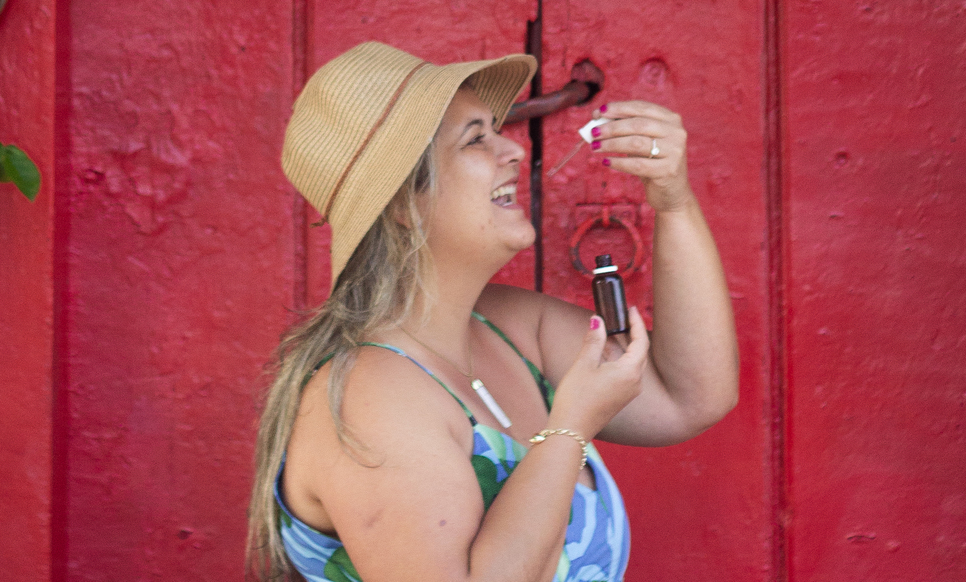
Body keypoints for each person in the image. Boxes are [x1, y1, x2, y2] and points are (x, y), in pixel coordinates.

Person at [250, 41, 738, 582]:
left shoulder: (509, 329)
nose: (513, 151)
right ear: (402, 205)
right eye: (475, 139)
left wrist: (674, 202)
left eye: (495, 130)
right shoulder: (372, 395)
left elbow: (690, 395)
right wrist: (571, 424)